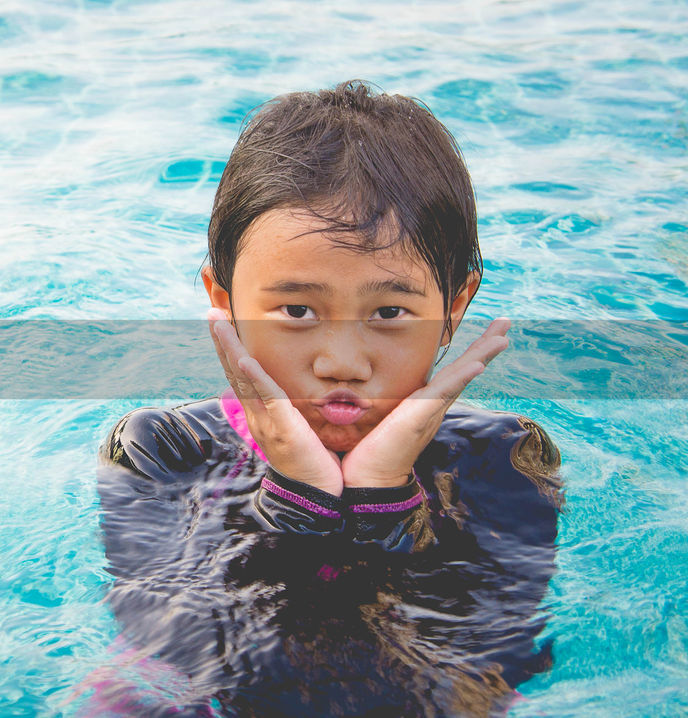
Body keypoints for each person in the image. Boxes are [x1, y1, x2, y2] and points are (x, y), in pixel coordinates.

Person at [88, 81, 565, 717]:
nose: (341, 361)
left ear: (454, 310)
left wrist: (381, 498)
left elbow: (488, 662)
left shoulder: (502, 459)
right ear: (224, 300)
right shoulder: (161, 451)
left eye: (390, 312)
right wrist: (299, 499)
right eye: (296, 309)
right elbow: (185, 654)